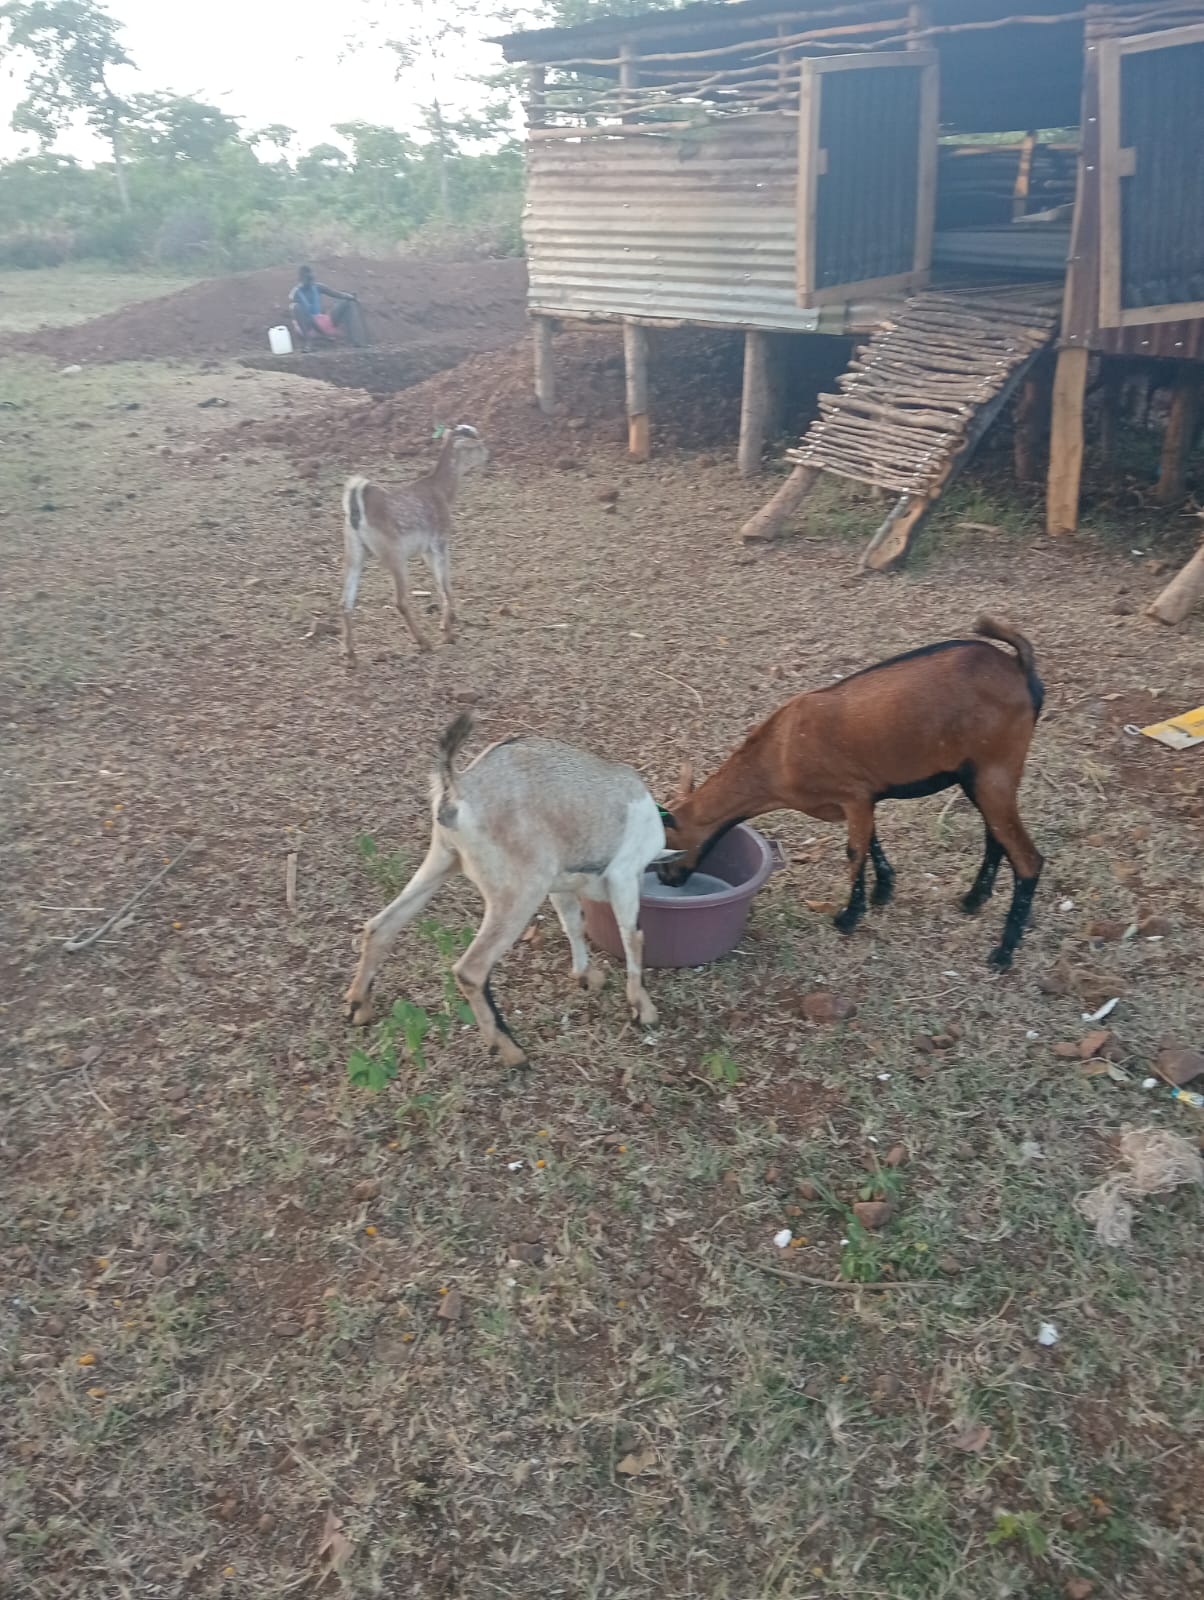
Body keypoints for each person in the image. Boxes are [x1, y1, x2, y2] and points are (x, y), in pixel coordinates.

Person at [289, 265, 357, 350]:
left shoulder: (318, 287)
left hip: (322, 322)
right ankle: (309, 342)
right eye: (307, 279)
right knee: (296, 307)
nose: (310, 282)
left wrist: (349, 296)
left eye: (311, 279)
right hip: (307, 327)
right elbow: (298, 317)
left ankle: (355, 338)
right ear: (300, 279)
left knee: (345, 303)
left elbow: (336, 294)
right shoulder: (295, 293)